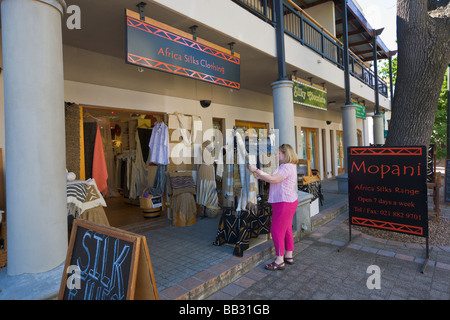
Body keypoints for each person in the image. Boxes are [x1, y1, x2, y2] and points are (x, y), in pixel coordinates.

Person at [248, 143, 298, 271]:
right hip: (288, 201)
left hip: (284, 202)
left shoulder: (286, 167)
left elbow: (274, 180)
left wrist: (256, 170)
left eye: (279, 153)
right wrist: (262, 175)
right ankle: (289, 255)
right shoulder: (289, 166)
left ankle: (279, 260)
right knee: (286, 229)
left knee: (276, 230)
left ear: (285, 154)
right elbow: (273, 179)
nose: (277, 155)